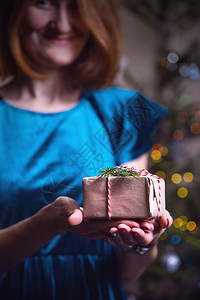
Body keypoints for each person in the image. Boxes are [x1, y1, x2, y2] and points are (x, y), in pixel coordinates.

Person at [0, 0, 173, 299]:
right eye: (44, 3)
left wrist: (145, 242)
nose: (63, 24)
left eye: (77, 7)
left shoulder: (122, 112)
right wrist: (47, 224)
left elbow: (129, 272)